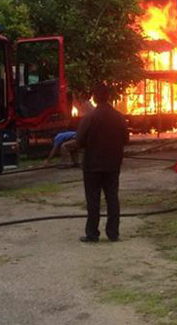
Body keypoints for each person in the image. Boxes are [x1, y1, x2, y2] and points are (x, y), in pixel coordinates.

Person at [75, 84, 129, 243]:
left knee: (93, 200)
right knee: (112, 198)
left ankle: (92, 233)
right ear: (109, 97)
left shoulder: (89, 118)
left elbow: (79, 141)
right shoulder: (119, 117)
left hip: (92, 165)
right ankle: (113, 233)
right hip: (113, 165)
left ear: (95, 98)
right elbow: (126, 139)